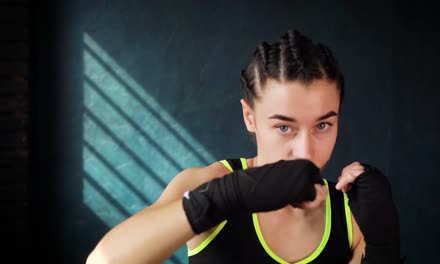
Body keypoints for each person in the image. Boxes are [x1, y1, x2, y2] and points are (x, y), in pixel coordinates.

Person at [86, 29, 401, 264]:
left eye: (322, 125)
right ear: (249, 117)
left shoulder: (350, 213)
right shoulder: (207, 184)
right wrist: (227, 196)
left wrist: (384, 246)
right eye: (283, 127)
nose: (305, 151)